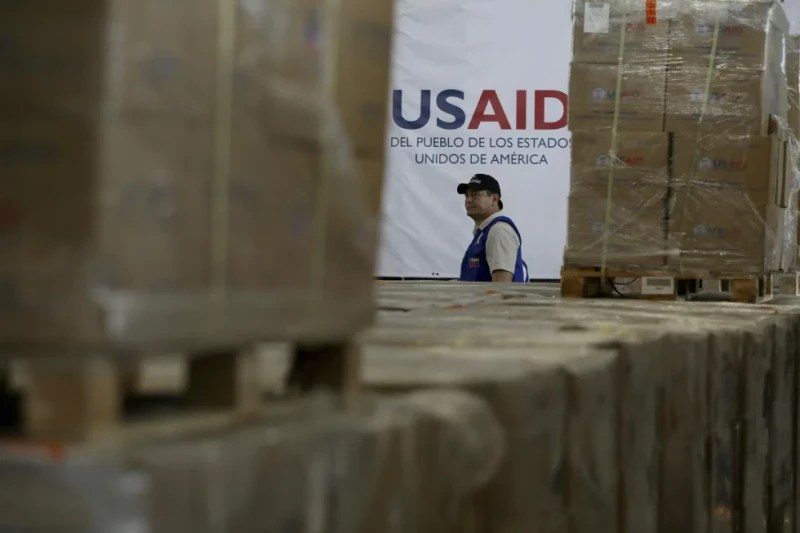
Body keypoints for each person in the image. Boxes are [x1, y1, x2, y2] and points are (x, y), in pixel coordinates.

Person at [457, 173, 528, 283]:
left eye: (475, 194)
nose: (468, 200)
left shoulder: (498, 231)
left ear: (494, 199)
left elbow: (501, 287)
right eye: (466, 195)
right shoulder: (486, 231)